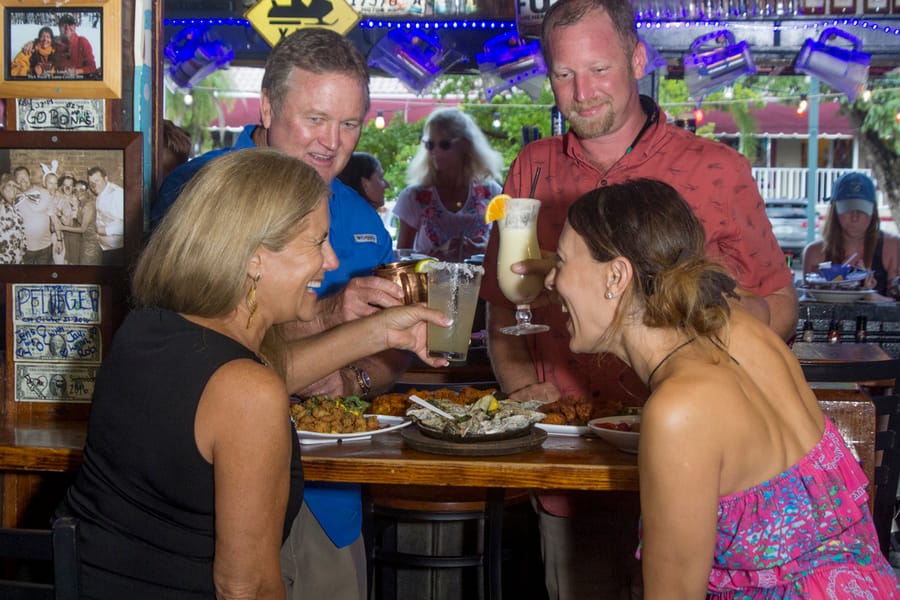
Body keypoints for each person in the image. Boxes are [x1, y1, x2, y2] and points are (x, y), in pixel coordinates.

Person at [479, 0, 798, 596]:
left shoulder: (717, 168)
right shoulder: (533, 168)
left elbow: (780, 302)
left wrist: (717, 318)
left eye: (599, 69)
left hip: (707, 462)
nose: (582, 92)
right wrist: (521, 387)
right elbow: (502, 303)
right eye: (564, 74)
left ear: (638, 59)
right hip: (574, 461)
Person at [60, 148, 450, 599]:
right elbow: (245, 587)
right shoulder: (247, 392)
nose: (332, 262)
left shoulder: (150, 328)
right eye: (318, 242)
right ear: (254, 257)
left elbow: (246, 382)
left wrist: (381, 332)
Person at [547, 177, 898, 598]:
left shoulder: (681, 410)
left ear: (617, 275)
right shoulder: (739, 326)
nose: (551, 281)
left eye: (561, 262)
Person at [156, 28, 410, 600]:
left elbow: (395, 347)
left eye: (350, 125)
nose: (332, 142)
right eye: (315, 119)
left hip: (332, 492)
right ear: (268, 107)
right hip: (209, 487)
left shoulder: (361, 215)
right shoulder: (202, 188)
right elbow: (192, 339)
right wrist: (329, 316)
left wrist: (354, 376)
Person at [393, 107, 503, 261]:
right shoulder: (414, 197)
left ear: (465, 144)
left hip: (481, 283)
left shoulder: (492, 192)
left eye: (444, 144)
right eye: (430, 145)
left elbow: (506, 248)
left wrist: (485, 248)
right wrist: (438, 252)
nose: (435, 152)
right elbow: (402, 257)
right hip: (430, 283)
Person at [802, 172, 900, 299]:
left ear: (873, 212)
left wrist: (870, 296)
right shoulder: (814, 252)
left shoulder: (892, 246)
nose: (854, 217)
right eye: (847, 210)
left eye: (861, 210)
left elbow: (897, 307)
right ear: (834, 211)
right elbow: (809, 306)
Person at [14, 166, 57, 265]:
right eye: (19, 177)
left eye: (24, 176)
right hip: (25, 249)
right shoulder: (13, 197)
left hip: (45, 247)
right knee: (27, 278)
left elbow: (53, 217)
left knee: (44, 277)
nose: (22, 180)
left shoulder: (44, 193)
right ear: (15, 180)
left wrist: (58, 239)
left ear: (29, 177)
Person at [87, 166, 124, 265]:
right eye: (91, 183)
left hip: (116, 250)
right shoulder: (101, 192)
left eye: (97, 180)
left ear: (106, 178)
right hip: (103, 247)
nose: (94, 185)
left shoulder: (117, 195)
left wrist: (106, 230)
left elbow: (129, 223)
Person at [0, 174, 26, 264]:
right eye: (9, 185)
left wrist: (23, 248)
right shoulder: (1, 207)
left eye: (15, 186)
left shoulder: (15, 208)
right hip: (4, 258)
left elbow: (21, 230)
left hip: (17, 256)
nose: (12, 188)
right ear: (3, 188)